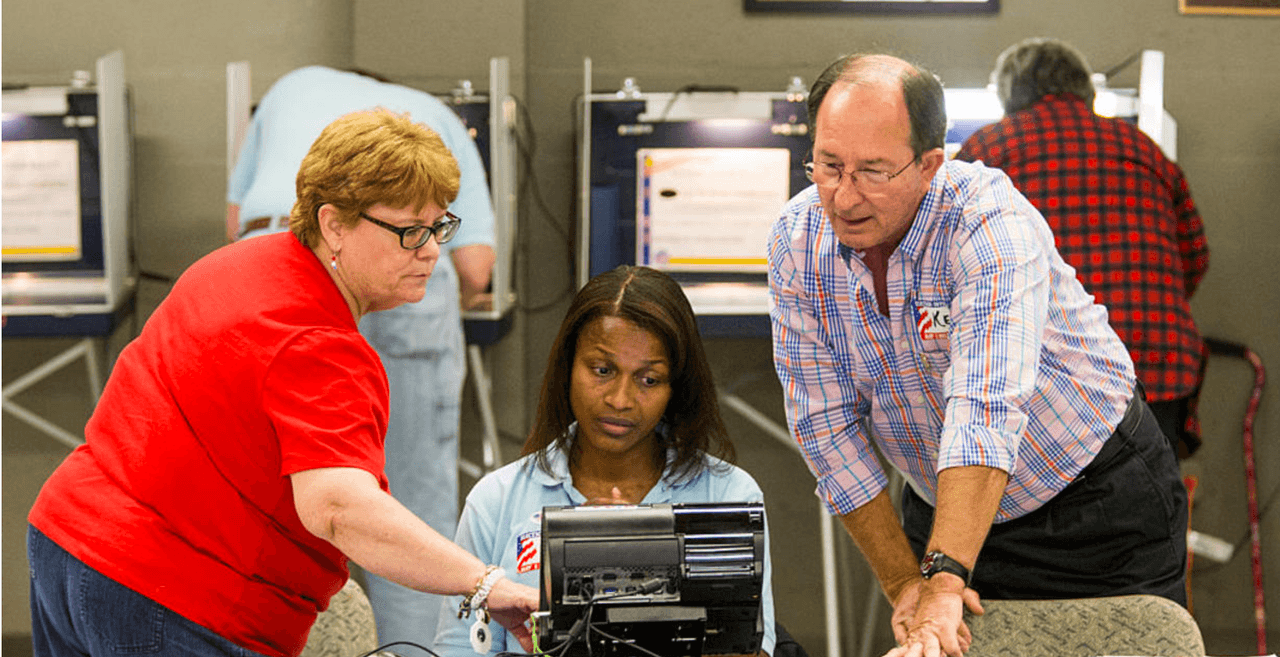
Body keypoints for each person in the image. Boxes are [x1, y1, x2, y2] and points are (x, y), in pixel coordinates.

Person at [28, 110, 537, 657]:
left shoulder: (238, 263)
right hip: (170, 594)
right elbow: (339, 509)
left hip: (68, 545)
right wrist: (485, 583)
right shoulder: (321, 345)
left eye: (439, 226)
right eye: (410, 232)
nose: (433, 251)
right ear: (333, 223)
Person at [767, 53, 1187, 657]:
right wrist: (906, 581)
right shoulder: (797, 239)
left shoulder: (988, 220)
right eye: (829, 166)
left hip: (1095, 505)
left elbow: (983, 407)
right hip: (947, 508)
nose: (842, 196)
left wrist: (942, 576)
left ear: (930, 165)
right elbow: (825, 427)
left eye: (873, 172)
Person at [226, 65, 496, 646]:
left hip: (277, 254)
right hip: (398, 284)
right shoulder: (438, 116)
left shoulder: (285, 88)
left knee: (269, 493)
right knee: (410, 493)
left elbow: (234, 221)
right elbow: (475, 267)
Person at [433, 265, 778, 657]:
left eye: (649, 379)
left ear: (676, 386)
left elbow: (750, 649)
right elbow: (457, 649)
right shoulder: (497, 500)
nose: (620, 399)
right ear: (568, 366)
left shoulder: (728, 494)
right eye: (602, 370)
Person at [955, 37, 1210, 456]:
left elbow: (950, 263)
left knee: (1046, 513)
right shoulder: (1143, 149)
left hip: (1047, 371)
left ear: (1007, 97)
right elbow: (1194, 258)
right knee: (1148, 508)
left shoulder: (987, 150)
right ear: (1087, 92)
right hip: (1157, 359)